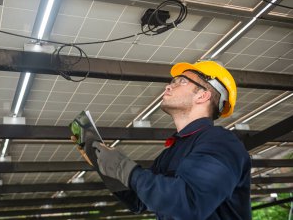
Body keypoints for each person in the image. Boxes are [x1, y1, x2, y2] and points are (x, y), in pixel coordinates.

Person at [92, 61, 251, 220]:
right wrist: (102, 163)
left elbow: (190, 203)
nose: (168, 87)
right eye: (172, 82)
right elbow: (138, 201)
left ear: (203, 95)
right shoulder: (171, 152)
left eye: (181, 81)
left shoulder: (221, 142)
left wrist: (122, 167)